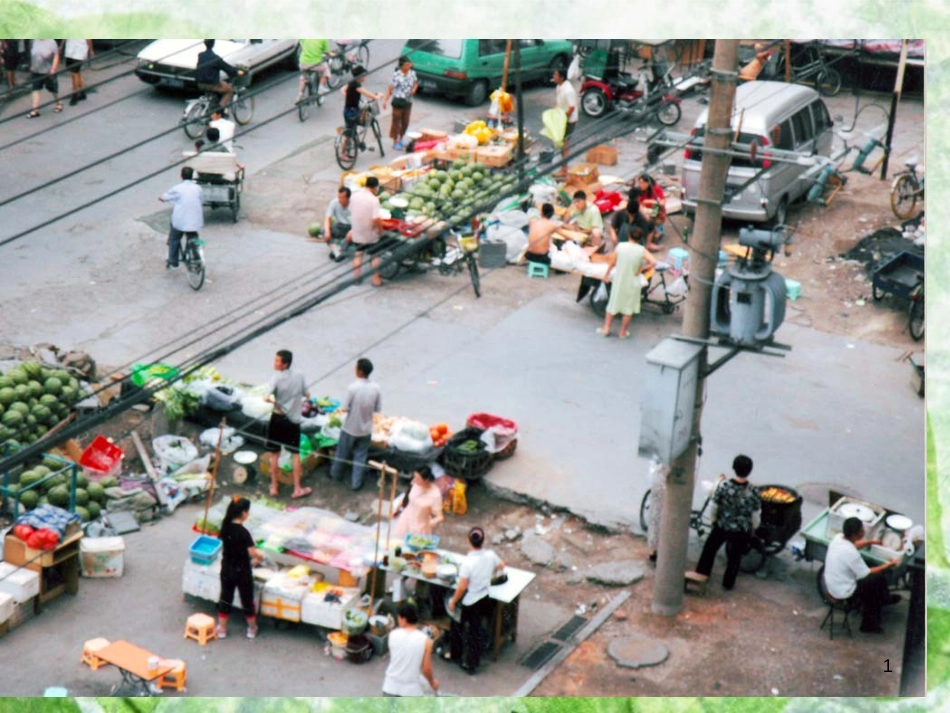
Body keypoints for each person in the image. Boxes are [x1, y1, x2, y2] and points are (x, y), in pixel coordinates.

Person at [692, 455, 762, 590]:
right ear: (749, 471)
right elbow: (755, 514)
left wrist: (713, 519)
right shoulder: (753, 491)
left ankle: (702, 573)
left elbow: (714, 506)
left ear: (734, 468)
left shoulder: (724, 486)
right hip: (741, 529)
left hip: (722, 525)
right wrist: (754, 526)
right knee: (735, 558)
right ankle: (728, 583)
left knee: (710, 549)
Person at [824, 516, 902, 634]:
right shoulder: (851, 554)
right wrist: (890, 564)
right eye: (862, 530)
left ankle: (884, 598)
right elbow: (868, 572)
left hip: (832, 582)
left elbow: (855, 545)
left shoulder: (838, 538)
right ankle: (869, 625)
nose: (864, 532)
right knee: (877, 582)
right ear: (855, 535)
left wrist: (872, 542)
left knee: (875, 578)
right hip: (844, 592)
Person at [447, 527, 505, 675]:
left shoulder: (468, 563)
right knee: (475, 630)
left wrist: (453, 602)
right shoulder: (490, 555)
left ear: (468, 540)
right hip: (485, 599)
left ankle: (457, 655)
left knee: (456, 620)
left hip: (471, 602)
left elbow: (462, 587)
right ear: (483, 540)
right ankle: (472, 662)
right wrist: (491, 575)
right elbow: (501, 566)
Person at [265, 350, 311, 499]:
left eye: (278, 361)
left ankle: (274, 487)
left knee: (274, 454)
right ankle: (297, 489)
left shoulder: (276, 378)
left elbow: (266, 398)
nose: (275, 363)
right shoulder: (300, 375)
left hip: (278, 418)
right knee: (295, 454)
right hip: (293, 421)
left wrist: (276, 402)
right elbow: (307, 394)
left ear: (285, 364)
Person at [216, 496, 264, 640]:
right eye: (247, 512)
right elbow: (252, 553)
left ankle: (222, 629)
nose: (248, 514)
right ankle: (252, 629)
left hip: (227, 568)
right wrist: (259, 557)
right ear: (243, 513)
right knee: (247, 600)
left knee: (225, 598)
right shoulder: (244, 533)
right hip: (242, 570)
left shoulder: (225, 527)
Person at [331, 357, 382, 491]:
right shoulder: (376, 388)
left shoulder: (353, 388)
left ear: (359, 371)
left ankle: (336, 475)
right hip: (366, 429)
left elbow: (345, 408)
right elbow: (377, 409)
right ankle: (356, 484)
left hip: (350, 428)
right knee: (360, 456)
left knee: (342, 453)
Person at [597, 227, 656, 338]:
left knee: (613, 303)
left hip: (620, 280)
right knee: (628, 308)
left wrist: (606, 275)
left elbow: (612, 262)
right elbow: (653, 262)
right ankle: (622, 332)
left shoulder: (620, 246)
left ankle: (606, 329)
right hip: (633, 281)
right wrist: (642, 268)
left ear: (629, 235)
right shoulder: (641, 250)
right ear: (640, 238)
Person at [382, 602, 439, 696]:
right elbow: (426, 669)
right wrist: (433, 683)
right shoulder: (426, 641)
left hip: (390, 687)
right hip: (410, 692)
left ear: (403, 620)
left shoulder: (392, 635)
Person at [159, 166, 204, 269]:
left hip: (180, 223)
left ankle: (173, 260)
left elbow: (164, 197)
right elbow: (201, 201)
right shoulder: (198, 188)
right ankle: (197, 256)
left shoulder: (177, 188)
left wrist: (161, 198)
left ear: (181, 176)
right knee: (194, 235)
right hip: (195, 222)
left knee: (174, 237)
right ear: (192, 176)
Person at [346, 176, 385, 286]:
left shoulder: (354, 196)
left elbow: (351, 210)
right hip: (370, 234)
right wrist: (381, 231)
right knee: (375, 256)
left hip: (358, 231)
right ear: (375, 188)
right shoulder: (374, 201)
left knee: (358, 254)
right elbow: (376, 219)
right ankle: (376, 280)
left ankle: (356, 279)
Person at [392, 466, 445, 539]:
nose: (414, 480)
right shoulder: (415, 483)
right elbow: (407, 497)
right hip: (405, 521)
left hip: (420, 528)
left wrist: (432, 523)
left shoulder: (435, 495)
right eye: (414, 477)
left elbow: (440, 517)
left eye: (418, 479)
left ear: (426, 480)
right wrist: (397, 508)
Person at [195, 39, 245, 114]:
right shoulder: (215, 58)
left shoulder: (201, 55)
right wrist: (237, 72)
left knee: (222, 84)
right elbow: (227, 68)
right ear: (213, 44)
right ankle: (218, 111)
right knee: (229, 90)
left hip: (200, 83)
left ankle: (213, 107)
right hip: (211, 84)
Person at [382, 55, 418, 150]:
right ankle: (395, 140)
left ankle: (401, 138)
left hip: (408, 101)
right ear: (402, 66)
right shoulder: (397, 75)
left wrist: (414, 89)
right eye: (407, 64)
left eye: (409, 64)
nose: (409, 66)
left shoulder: (412, 73)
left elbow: (415, 83)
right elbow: (390, 89)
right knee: (396, 121)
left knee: (405, 122)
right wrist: (385, 100)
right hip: (398, 101)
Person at [25, 38, 60, 118]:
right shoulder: (34, 41)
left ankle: (58, 103)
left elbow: (56, 55)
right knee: (35, 89)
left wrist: (54, 68)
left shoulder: (52, 42)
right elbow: (32, 54)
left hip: (48, 71)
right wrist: (31, 64)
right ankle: (35, 110)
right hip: (36, 70)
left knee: (53, 89)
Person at [553, 67, 578, 168]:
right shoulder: (559, 86)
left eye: (556, 75)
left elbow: (571, 108)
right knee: (562, 144)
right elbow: (559, 103)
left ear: (561, 77)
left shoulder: (568, 90)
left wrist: (562, 119)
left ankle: (564, 169)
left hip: (569, 120)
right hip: (562, 118)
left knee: (565, 145)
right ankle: (563, 168)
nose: (554, 77)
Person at [636, 174, 666, 250]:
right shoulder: (639, 190)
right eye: (639, 183)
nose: (641, 185)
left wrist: (650, 201)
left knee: (650, 218)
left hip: (656, 209)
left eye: (643, 183)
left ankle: (652, 237)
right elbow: (638, 203)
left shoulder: (656, 189)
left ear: (648, 183)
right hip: (644, 209)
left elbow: (662, 203)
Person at [323, 186, 352, 259]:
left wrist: (352, 232)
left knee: (352, 238)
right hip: (340, 226)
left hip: (351, 228)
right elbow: (327, 218)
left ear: (348, 198)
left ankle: (340, 250)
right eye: (339, 197)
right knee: (324, 230)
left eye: (342, 198)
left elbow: (359, 222)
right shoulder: (334, 202)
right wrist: (327, 232)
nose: (339, 200)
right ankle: (336, 250)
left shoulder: (354, 205)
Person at [63, 39, 93, 105]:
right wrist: (61, 46)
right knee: (75, 73)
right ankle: (82, 92)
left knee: (74, 73)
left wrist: (90, 50)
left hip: (79, 50)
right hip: (70, 50)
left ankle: (75, 95)